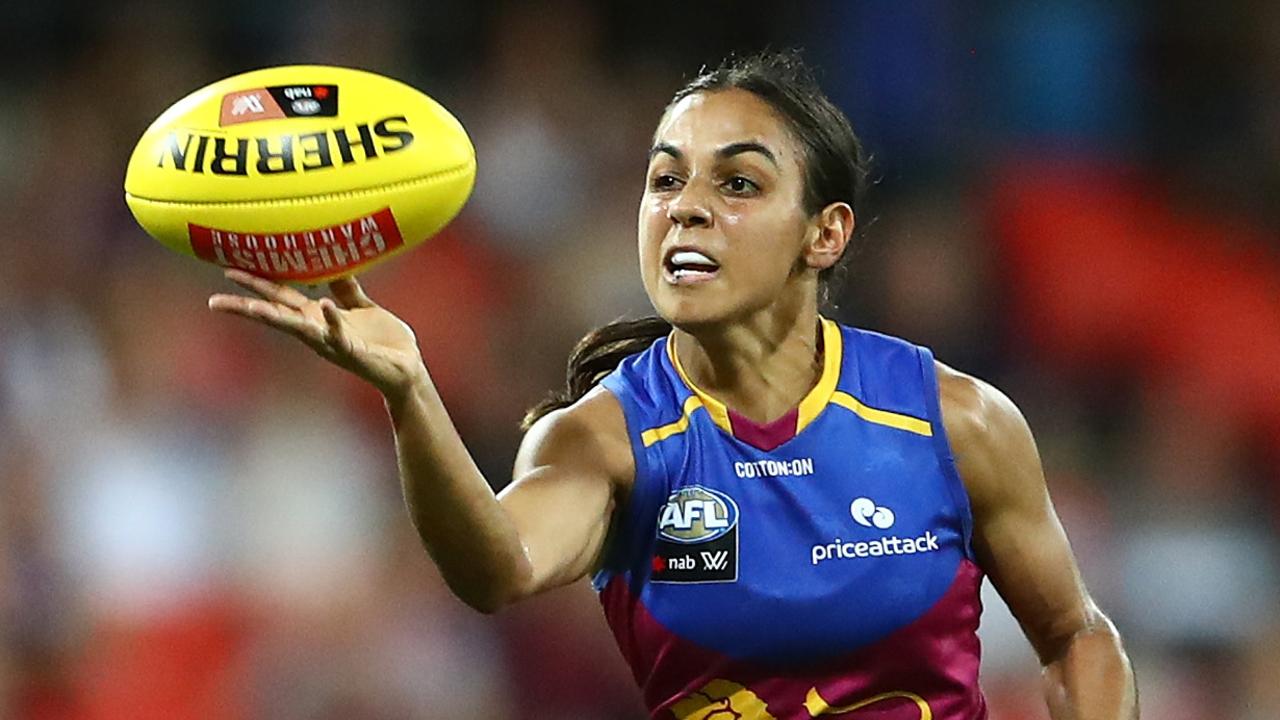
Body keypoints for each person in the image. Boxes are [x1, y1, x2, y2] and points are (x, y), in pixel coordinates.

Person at [209, 51, 1137, 720]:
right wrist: (410, 389)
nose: (686, 204)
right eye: (665, 179)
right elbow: (495, 568)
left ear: (825, 234)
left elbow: (1077, 638)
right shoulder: (609, 439)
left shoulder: (953, 422)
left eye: (738, 184)